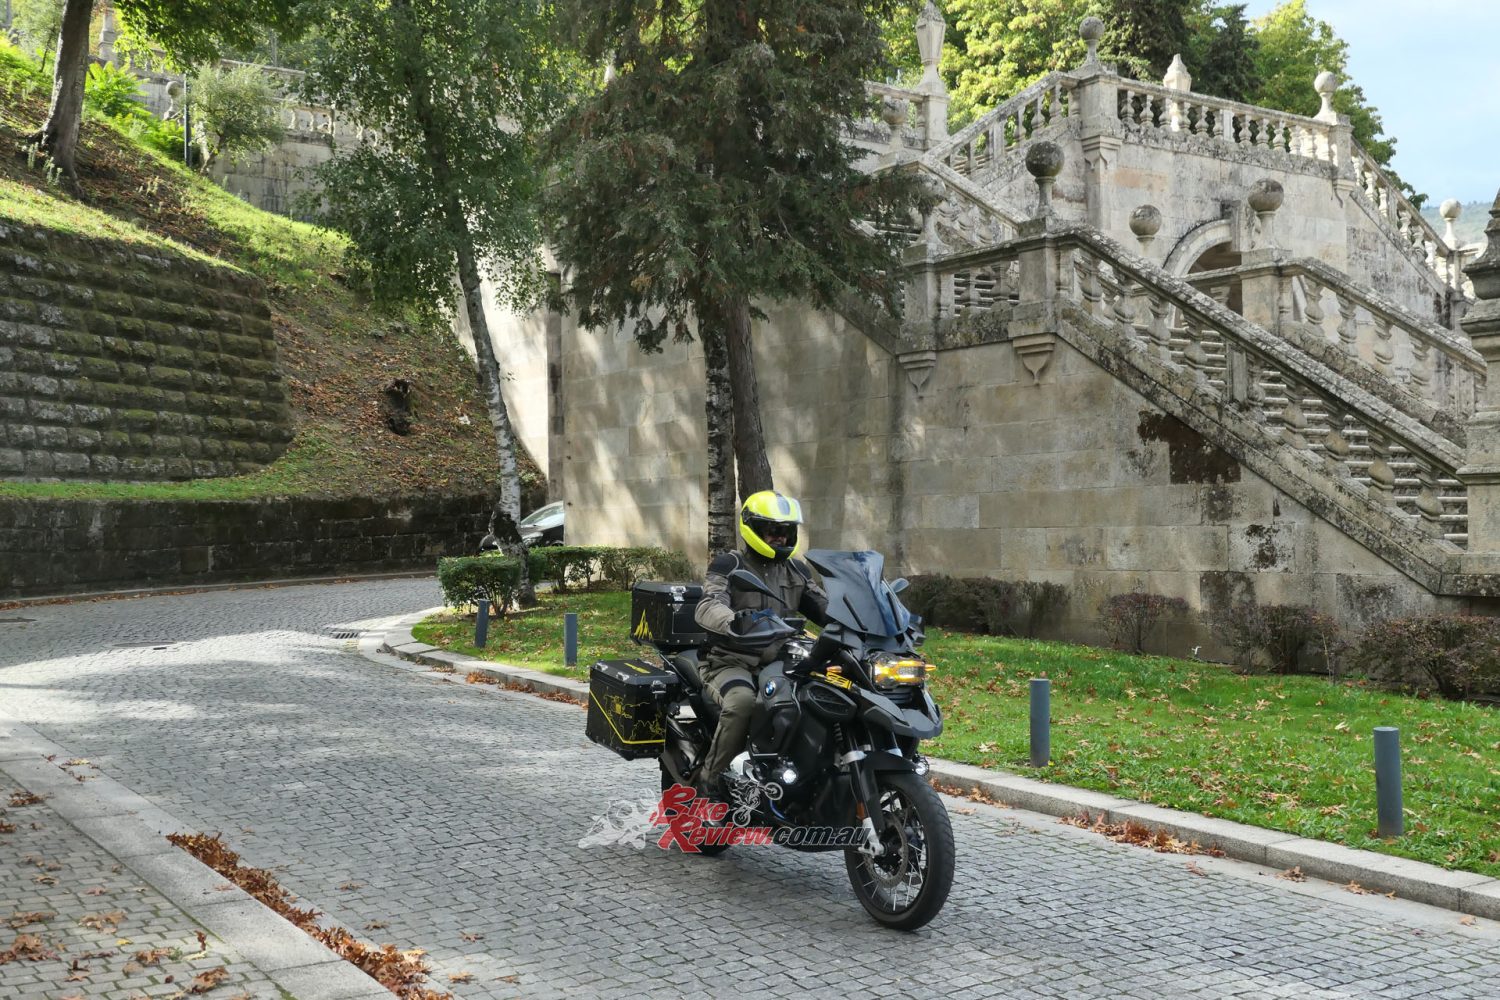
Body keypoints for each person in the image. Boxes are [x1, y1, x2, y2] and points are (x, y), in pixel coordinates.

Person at [692, 489, 828, 798]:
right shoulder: (729, 565)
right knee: (741, 704)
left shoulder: (796, 570)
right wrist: (733, 622)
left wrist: (861, 619)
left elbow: (824, 607)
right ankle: (708, 780)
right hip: (729, 660)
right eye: (772, 530)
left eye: (785, 531)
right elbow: (708, 604)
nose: (780, 537)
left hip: (780, 661)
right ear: (753, 529)